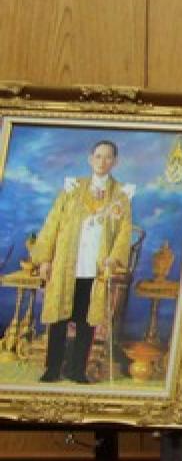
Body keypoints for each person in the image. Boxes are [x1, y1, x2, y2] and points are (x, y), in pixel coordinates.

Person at [33, 138, 133, 384]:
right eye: (98, 156)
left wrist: (114, 258)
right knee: (58, 318)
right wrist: (45, 259)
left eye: (108, 157)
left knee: (86, 321)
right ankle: (52, 369)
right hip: (66, 265)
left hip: (95, 269)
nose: (102, 161)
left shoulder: (121, 195)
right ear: (90, 159)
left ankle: (77, 370)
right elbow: (52, 224)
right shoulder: (72, 188)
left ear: (115, 161)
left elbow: (124, 232)